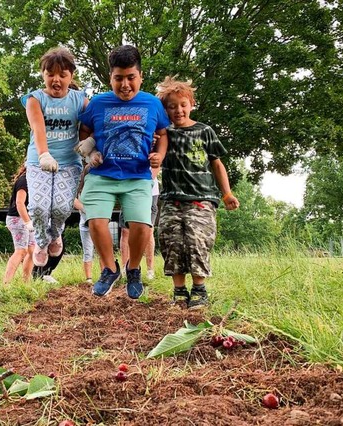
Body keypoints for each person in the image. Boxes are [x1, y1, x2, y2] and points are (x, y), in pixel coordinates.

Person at [76, 45, 170, 299]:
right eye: (119, 78)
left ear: (140, 76)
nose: (125, 84)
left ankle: (134, 269)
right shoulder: (98, 103)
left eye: (131, 77)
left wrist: (159, 156)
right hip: (102, 175)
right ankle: (109, 268)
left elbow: (162, 134)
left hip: (138, 176)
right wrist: (89, 153)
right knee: (95, 221)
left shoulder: (152, 104)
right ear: (110, 78)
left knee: (142, 225)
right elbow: (84, 131)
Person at [155, 76, 240, 309]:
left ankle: (199, 290)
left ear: (191, 103)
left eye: (182, 104)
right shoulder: (163, 135)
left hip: (201, 199)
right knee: (171, 241)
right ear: (165, 110)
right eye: (171, 106)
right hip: (171, 199)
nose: (178, 110)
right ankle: (179, 291)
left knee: (197, 241)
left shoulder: (205, 131)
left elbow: (217, 164)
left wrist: (227, 193)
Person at [22, 47, 88, 268]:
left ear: (71, 76)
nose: (56, 80)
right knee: (39, 207)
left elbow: (96, 123)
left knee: (61, 208)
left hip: (69, 163)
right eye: (50, 74)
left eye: (62, 74)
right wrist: (44, 154)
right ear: (43, 74)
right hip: (38, 162)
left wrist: (92, 144)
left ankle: (56, 233)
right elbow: (38, 128)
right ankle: (41, 241)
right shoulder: (35, 99)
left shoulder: (80, 100)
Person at [119, 167, 160, 280]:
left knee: (148, 230)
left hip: (150, 191)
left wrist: (145, 183)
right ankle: (125, 269)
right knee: (125, 230)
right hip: (129, 190)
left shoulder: (153, 149)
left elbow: (157, 164)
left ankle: (150, 270)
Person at [3, 165, 35, 284]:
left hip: (27, 219)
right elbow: (19, 203)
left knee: (32, 251)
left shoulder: (32, 179)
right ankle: (6, 283)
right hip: (18, 218)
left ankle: (26, 283)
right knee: (21, 251)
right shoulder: (24, 180)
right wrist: (28, 223)